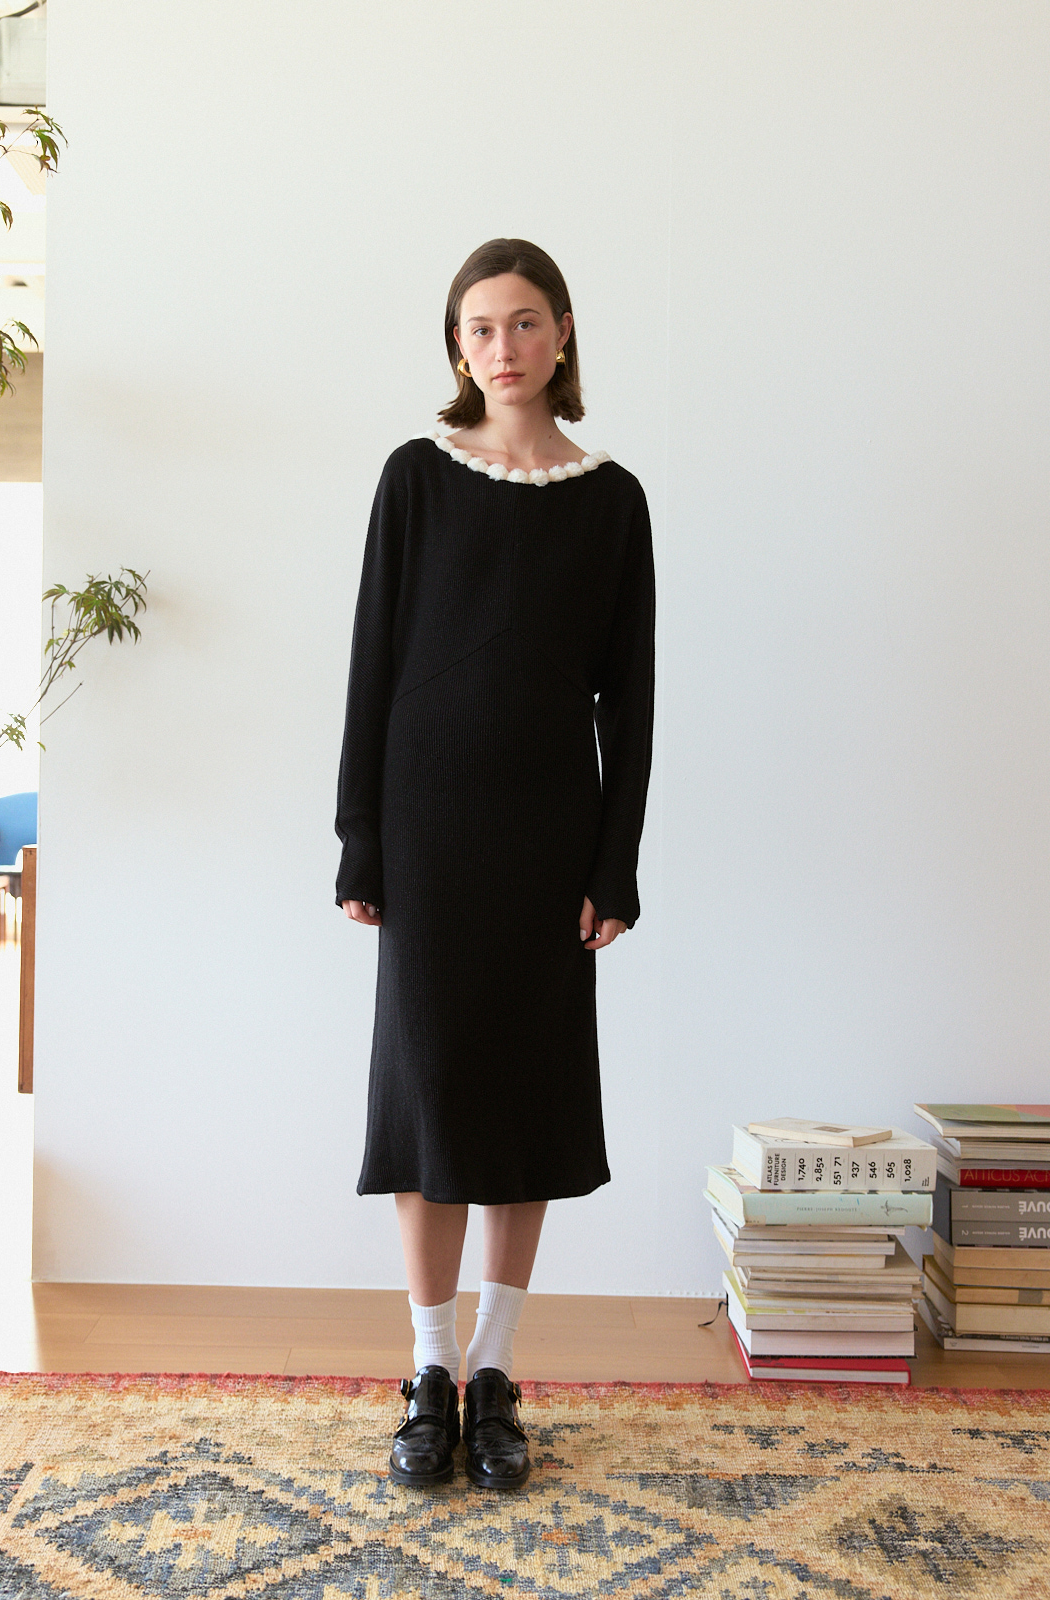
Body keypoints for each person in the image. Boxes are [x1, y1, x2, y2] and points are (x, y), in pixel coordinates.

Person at [335, 239, 655, 1491]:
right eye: (480, 327)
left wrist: (615, 862)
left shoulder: (613, 499)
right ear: (457, 348)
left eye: (525, 322)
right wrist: (360, 833)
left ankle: (494, 1372)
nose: (503, 346)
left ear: (563, 333)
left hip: (547, 833)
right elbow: (372, 662)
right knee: (430, 1091)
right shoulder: (416, 477)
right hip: (427, 827)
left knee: (523, 1096)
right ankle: (428, 1369)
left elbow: (630, 700)